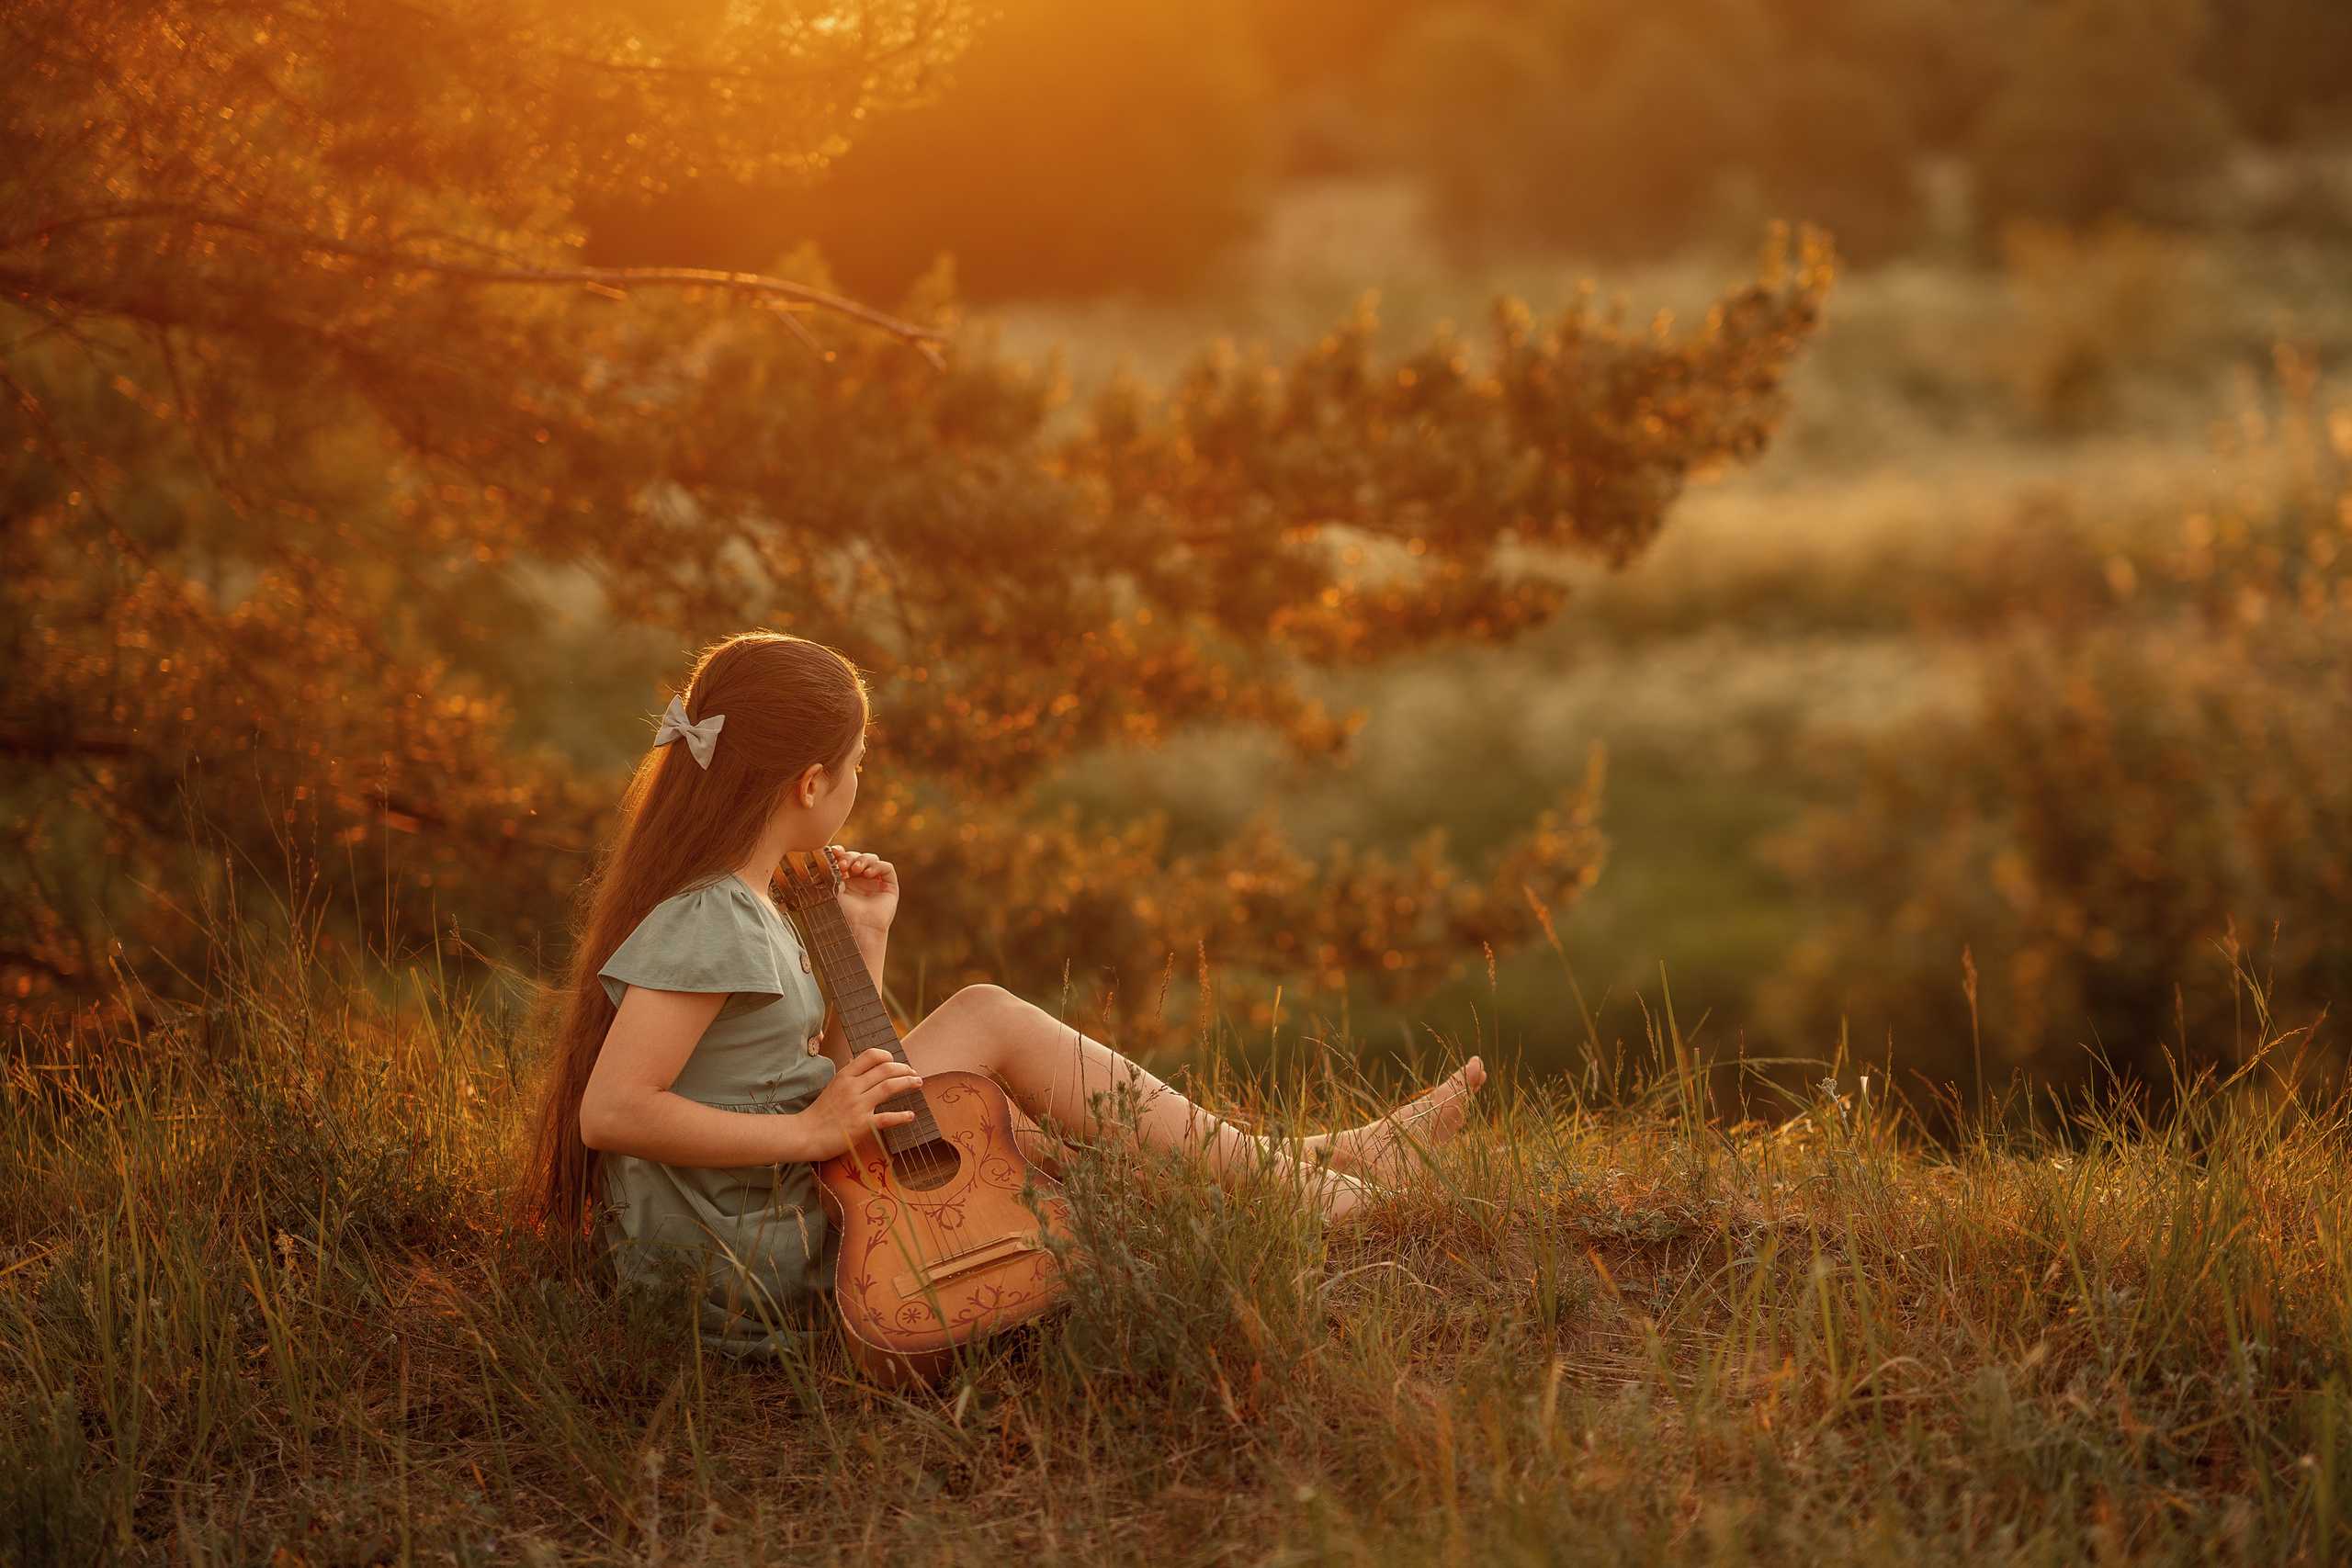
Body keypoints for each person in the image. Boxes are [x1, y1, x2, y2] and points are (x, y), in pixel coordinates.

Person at [522, 631, 1483, 1353]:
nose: (861, 782)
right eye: (859, 767)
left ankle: (1300, 1172)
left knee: (1004, 1130)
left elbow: (802, 1076)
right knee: (987, 1019)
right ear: (812, 783)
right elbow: (614, 1111)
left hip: (753, 1210)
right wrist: (809, 1136)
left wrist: (863, 946)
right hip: (745, 1252)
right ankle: (1296, 1184)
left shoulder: (747, 903)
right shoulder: (713, 917)